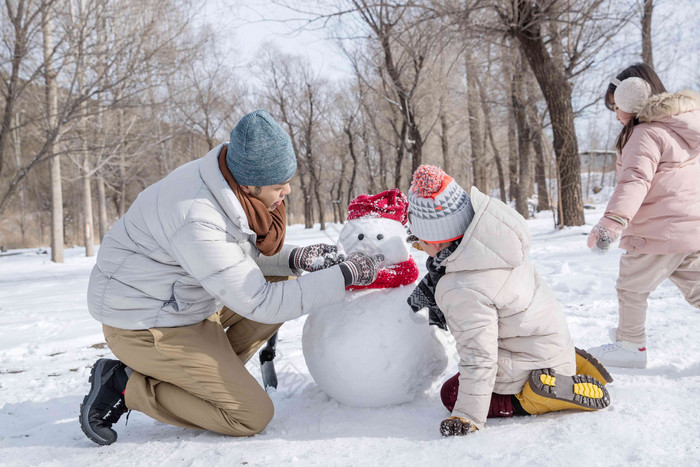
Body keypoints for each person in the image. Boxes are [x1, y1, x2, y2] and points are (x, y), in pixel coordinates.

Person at [79, 109, 382, 445]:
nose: (289, 191)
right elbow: (259, 301)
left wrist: (294, 257)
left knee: (288, 279)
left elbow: (233, 257)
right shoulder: (196, 215)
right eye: (279, 185)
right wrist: (344, 276)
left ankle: (205, 378)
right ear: (250, 183)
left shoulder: (226, 182)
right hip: (146, 323)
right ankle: (125, 384)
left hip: (185, 301)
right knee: (250, 415)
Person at [405, 165, 612, 437]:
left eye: (421, 238)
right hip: (544, 343)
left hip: (528, 366)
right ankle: (564, 365)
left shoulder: (462, 287)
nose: (418, 244)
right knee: (468, 381)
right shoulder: (493, 245)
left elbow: (479, 355)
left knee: (451, 393)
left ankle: (543, 393)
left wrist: (467, 414)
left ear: (437, 240)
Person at [586, 63, 700, 368]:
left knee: (631, 286)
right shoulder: (680, 126)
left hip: (658, 230)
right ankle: (628, 336)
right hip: (691, 228)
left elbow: (635, 180)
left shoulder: (644, 133)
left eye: (618, 106)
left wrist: (612, 223)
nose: (617, 115)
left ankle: (630, 345)